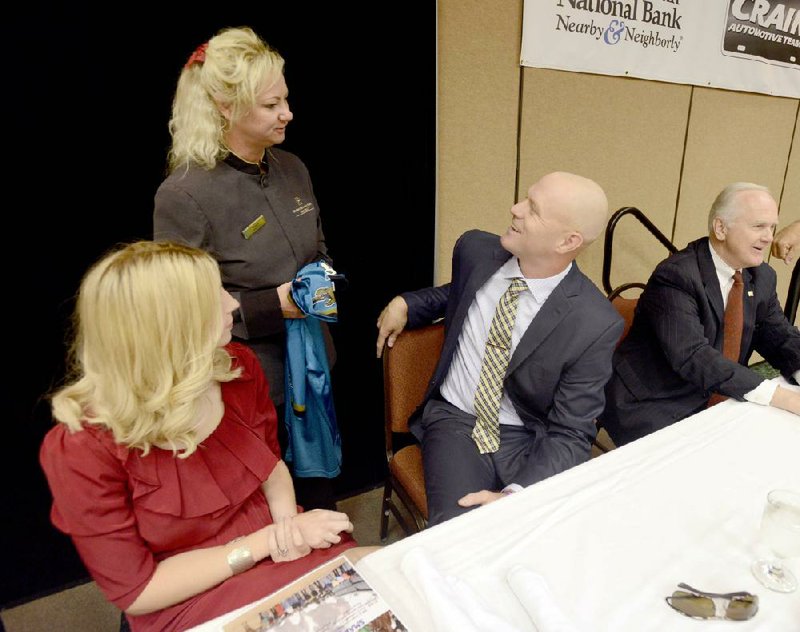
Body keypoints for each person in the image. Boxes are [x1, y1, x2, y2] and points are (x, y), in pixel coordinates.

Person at [39, 241, 374, 632]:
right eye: (214, 295)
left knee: (389, 579)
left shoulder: (238, 369)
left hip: (274, 544)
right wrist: (266, 542)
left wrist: (288, 530)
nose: (233, 304)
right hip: (188, 594)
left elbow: (271, 468)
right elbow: (138, 590)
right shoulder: (81, 448)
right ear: (169, 327)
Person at [153, 26, 337, 509]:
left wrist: (322, 279)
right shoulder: (184, 195)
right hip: (247, 384)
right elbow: (179, 312)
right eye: (271, 105)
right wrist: (274, 308)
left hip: (314, 364)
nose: (287, 114)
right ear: (225, 107)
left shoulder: (294, 168)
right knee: (265, 514)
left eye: (286, 99)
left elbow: (318, 249)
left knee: (320, 503)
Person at [375, 171, 624, 526]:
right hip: (456, 422)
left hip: (527, 433)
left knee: (559, 531)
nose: (515, 208)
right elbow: (457, 294)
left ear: (568, 241)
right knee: (462, 532)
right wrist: (408, 303)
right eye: (525, 198)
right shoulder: (476, 250)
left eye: (533, 209)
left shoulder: (594, 321)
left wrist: (516, 496)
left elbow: (570, 431)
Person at [601, 183, 800, 446]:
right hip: (653, 402)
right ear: (721, 228)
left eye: (772, 227)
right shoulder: (676, 275)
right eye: (758, 226)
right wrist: (783, 397)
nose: (768, 237)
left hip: (716, 393)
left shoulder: (761, 276)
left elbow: (779, 336)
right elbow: (692, 356)